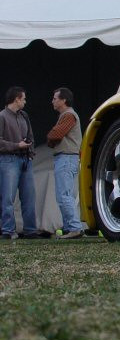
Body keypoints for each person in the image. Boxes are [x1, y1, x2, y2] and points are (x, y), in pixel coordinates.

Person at [0, 86, 45, 239]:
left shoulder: (24, 115)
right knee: (8, 197)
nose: (25, 101)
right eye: (23, 98)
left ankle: (30, 230)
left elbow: (30, 135)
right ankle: (7, 230)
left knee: (29, 196)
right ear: (17, 99)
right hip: (9, 159)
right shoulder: (2, 116)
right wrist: (16, 145)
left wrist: (30, 152)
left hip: (25, 159)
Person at [48, 87, 88, 239]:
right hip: (67, 158)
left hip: (66, 157)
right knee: (64, 194)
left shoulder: (68, 115)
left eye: (55, 98)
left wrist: (50, 138)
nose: (53, 101)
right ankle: (69, 228)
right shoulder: (67, 115)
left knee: (64, 195)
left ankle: (74, 227)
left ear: (63, 100)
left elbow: (56, 134)